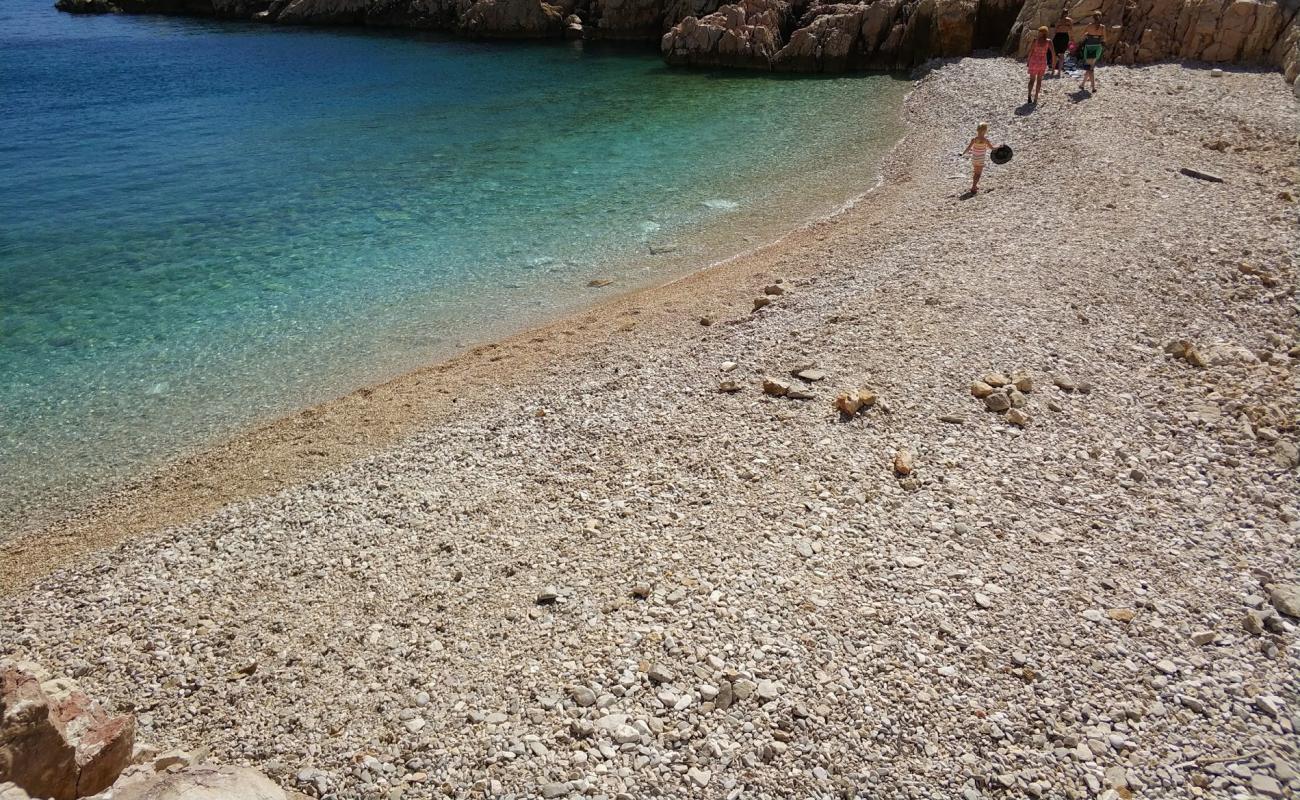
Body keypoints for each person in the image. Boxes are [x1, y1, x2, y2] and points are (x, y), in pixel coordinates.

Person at [961, 122, 997, 194]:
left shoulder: (974, 139)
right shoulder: (985, 140)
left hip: (974, 158)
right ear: (985, 131)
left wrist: (963, 153)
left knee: (975, 172)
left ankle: (974, 185)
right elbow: (992, 148)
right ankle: (973, 187)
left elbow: (968, 148)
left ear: (977, 130)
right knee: (978, 174)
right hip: (980, 159)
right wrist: (1000, 146)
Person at [1079, 12, 1105, 92]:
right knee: (1091, 66)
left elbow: (1081, 35)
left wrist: (1088, 34)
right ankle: (1082, 84)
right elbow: (1104, 38)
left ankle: (1093, 87)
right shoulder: (1102, 27)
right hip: (1097, 47)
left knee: (1090, 68)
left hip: (1089, 47)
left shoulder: (1089, 26)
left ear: (1093, 18)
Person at [1026, 26, 1053, 103]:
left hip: (1034, 61)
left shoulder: (1035, 40)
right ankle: (1036, 97)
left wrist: (1028, 61)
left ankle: (1029, 95)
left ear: (1041, 33)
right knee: (1039, 80)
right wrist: (1053, 66)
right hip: (1042, 62)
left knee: (1032, 80)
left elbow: (1031, 51)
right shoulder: (1049, 41)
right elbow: (1053, 53)